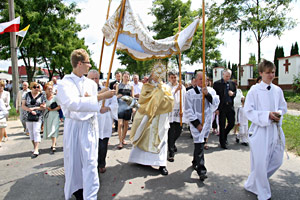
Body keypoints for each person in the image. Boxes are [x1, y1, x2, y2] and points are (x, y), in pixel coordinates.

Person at [56, 49, 115, 200]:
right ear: (80, 63)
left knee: (90, 162)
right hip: (74, 127)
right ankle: (78, 191)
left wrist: (94, 99)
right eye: (88, 63)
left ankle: (90, 194)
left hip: (89, 126)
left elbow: (91, 104)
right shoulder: (64, 83)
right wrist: (100, 97)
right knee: (74, 162)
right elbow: (72, 103)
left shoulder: (90, 84)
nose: (89, 66)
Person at [243, 60, 287, 200]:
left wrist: (279, 113)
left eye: (273, 72)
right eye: (268, 73)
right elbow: (248, 111)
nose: (271, 75)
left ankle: (252, 182)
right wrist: (266, 115)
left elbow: (283, 106)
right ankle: (263, 194)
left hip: (275, 130)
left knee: (277, 160)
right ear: (261, 73)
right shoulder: (254, 91)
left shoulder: (277, 90)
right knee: (261, 163)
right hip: (260, 131)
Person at [129, 63, 174, 176]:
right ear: (152, 73)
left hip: (161, 117)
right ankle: (141, 160)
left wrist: (161, 93)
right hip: (148, 116)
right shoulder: (146, 86)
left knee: (161, 139)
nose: (157, 76)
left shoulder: (166, 87)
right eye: (155, 73)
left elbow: (170, 102)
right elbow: (142, 100)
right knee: (144, 137)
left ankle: (162, 164)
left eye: (160, 73)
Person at [185, 72, 219, 181]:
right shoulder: (190, 93)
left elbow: (215, 104)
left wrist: (207, 95)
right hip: (196, 122)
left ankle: (195, 161)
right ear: (195, 80)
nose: (203, 82)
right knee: (199, 145)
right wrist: (196, 124)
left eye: (205, 79)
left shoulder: (211, 91)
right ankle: (201, 170)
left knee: (201, 143)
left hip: (206, 121)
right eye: (200, 79)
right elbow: (188, 109)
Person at [87, 70, 118, 174]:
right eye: (92, 78)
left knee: (103, 143)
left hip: (104, 121)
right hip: (90, 122)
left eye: (96, 78)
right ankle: (92, 164)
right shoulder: (86, 91)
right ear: (87, 79)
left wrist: (108, 108)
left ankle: (101, 163)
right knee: (91, 145)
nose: (94, 80)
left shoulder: (107, 90)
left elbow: (114, 103)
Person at [213, 69, 236, 149]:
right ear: (223, 75)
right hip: (221, 107)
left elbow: (235, 92)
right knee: (222, 124)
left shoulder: (232, 83)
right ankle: (222, 142)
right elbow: (215, 97)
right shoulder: (217, 84)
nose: (228, 77)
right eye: (226, 76)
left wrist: (232, 94)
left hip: (229, 106)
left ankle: (224, 134)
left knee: (232, 123)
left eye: (229, 76)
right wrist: (216, 108)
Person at [22, 82, 46, 158]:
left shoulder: (42, 95)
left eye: (38, 87)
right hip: (28, 115)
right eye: (35, 87)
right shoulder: (26, 95)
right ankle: (34, 146)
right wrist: (29, 110)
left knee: (36, 131)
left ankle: (36, 149)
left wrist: (35, 108)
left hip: (38, 115)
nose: (36, 89)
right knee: (31, 132)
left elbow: (43, 106)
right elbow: (23, 105)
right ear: (31, 87)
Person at [166, 71, 186, 162]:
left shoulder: (183, 87)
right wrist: (176, 90)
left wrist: (183, 110)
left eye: (175, 77)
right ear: (169, 78)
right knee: (171, 131)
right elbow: (167, 97)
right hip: (170, 111)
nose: (173, 79)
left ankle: (172, 144)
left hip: (179, 111)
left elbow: (184, 99)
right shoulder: (167, 87)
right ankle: (171, 152)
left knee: (179, 130)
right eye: (172, 77)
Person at [116, 71, 134, 149]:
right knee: (120, 124)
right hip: (120, 106)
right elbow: (115, 95)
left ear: (129, 77)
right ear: (122, 77)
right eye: (125, 76)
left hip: (127, 107)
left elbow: (132, 97)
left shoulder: (131, 86)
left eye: (127, 76)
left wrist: (133, 107)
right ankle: (120, 142)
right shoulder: (118, 85)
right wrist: (117, 96)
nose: (126, 78)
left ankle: (123, 139)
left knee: (126, 124)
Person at [43, 82, 61, 154]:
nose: (50, 90)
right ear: (45, 90)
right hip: (47, 115)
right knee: (49, 129)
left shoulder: (55, 97)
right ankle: (54, 142)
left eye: (51, 89)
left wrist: (52, 109)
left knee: (54, 128)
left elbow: (60, 106)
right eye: (48, 89)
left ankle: (53, 145)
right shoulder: (43, 98)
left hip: (54, 114)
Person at [203, 77, 220, 150]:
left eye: (206, 81)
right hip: (198, 112)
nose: (205, 82)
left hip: (208, 111)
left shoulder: (211, 90)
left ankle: (205, 142)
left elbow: (215, 101)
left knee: (207, 127)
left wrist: (215, 108)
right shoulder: (196, 89)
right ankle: (199, 141)